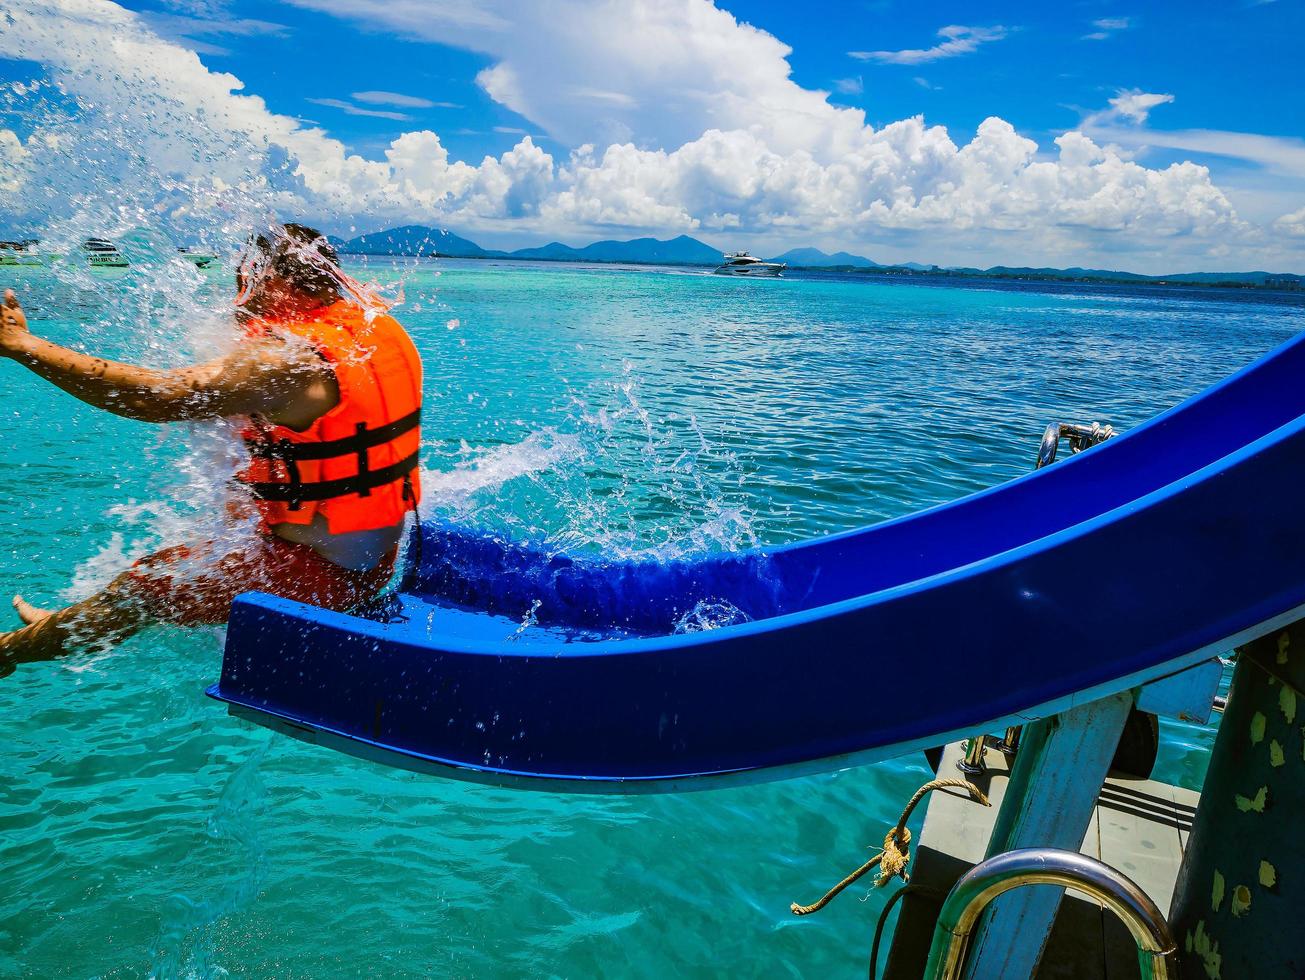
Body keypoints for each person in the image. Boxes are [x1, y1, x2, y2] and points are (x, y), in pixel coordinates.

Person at [0, 224, 423, 670]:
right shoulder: (375, 329)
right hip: (370, 563)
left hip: (318, 579)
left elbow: (154, 397)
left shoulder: (289, 362)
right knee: (181, 554)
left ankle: (10, 651)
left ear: (276, 281)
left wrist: (21, 344)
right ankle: (61, 625)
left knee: (144, 590)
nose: (240, 296)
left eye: (246, 281)